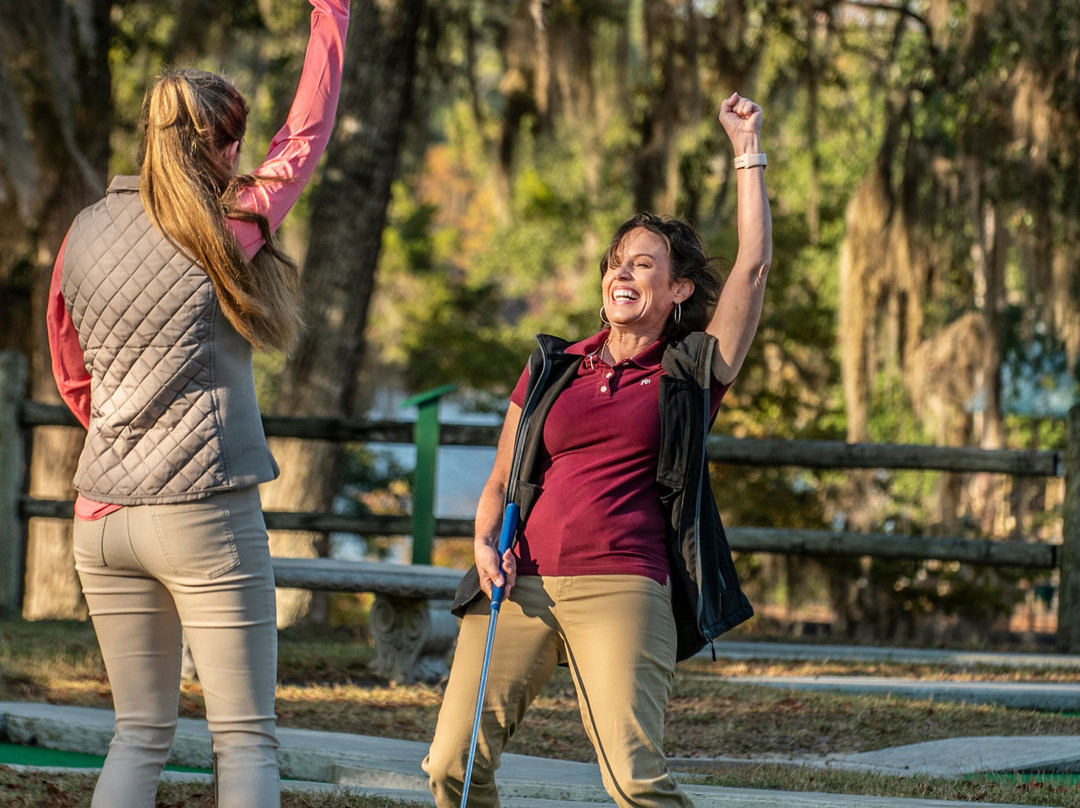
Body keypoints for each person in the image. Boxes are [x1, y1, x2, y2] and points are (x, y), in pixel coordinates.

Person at [423, 92, 771, 808]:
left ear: (677, 289)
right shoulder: (553, 364)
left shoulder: (688, 370)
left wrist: (747, 151)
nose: (623, 273)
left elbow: (753, 269)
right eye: (617, 262)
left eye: (644, 265)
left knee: (634, 781)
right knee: (450, 766)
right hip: (519, 585)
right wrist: (485, 542)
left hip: (625, 583)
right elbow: (498, 481)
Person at [45, 2, 349, 806]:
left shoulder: (82, 231)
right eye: (235, 142)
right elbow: (306, 135)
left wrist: (121, 438)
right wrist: (332, 13)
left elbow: (70, 370)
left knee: (137, 735)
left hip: (101, 517)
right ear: (219, 147)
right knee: (244, 736)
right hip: (202, 512)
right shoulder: (231, 226)